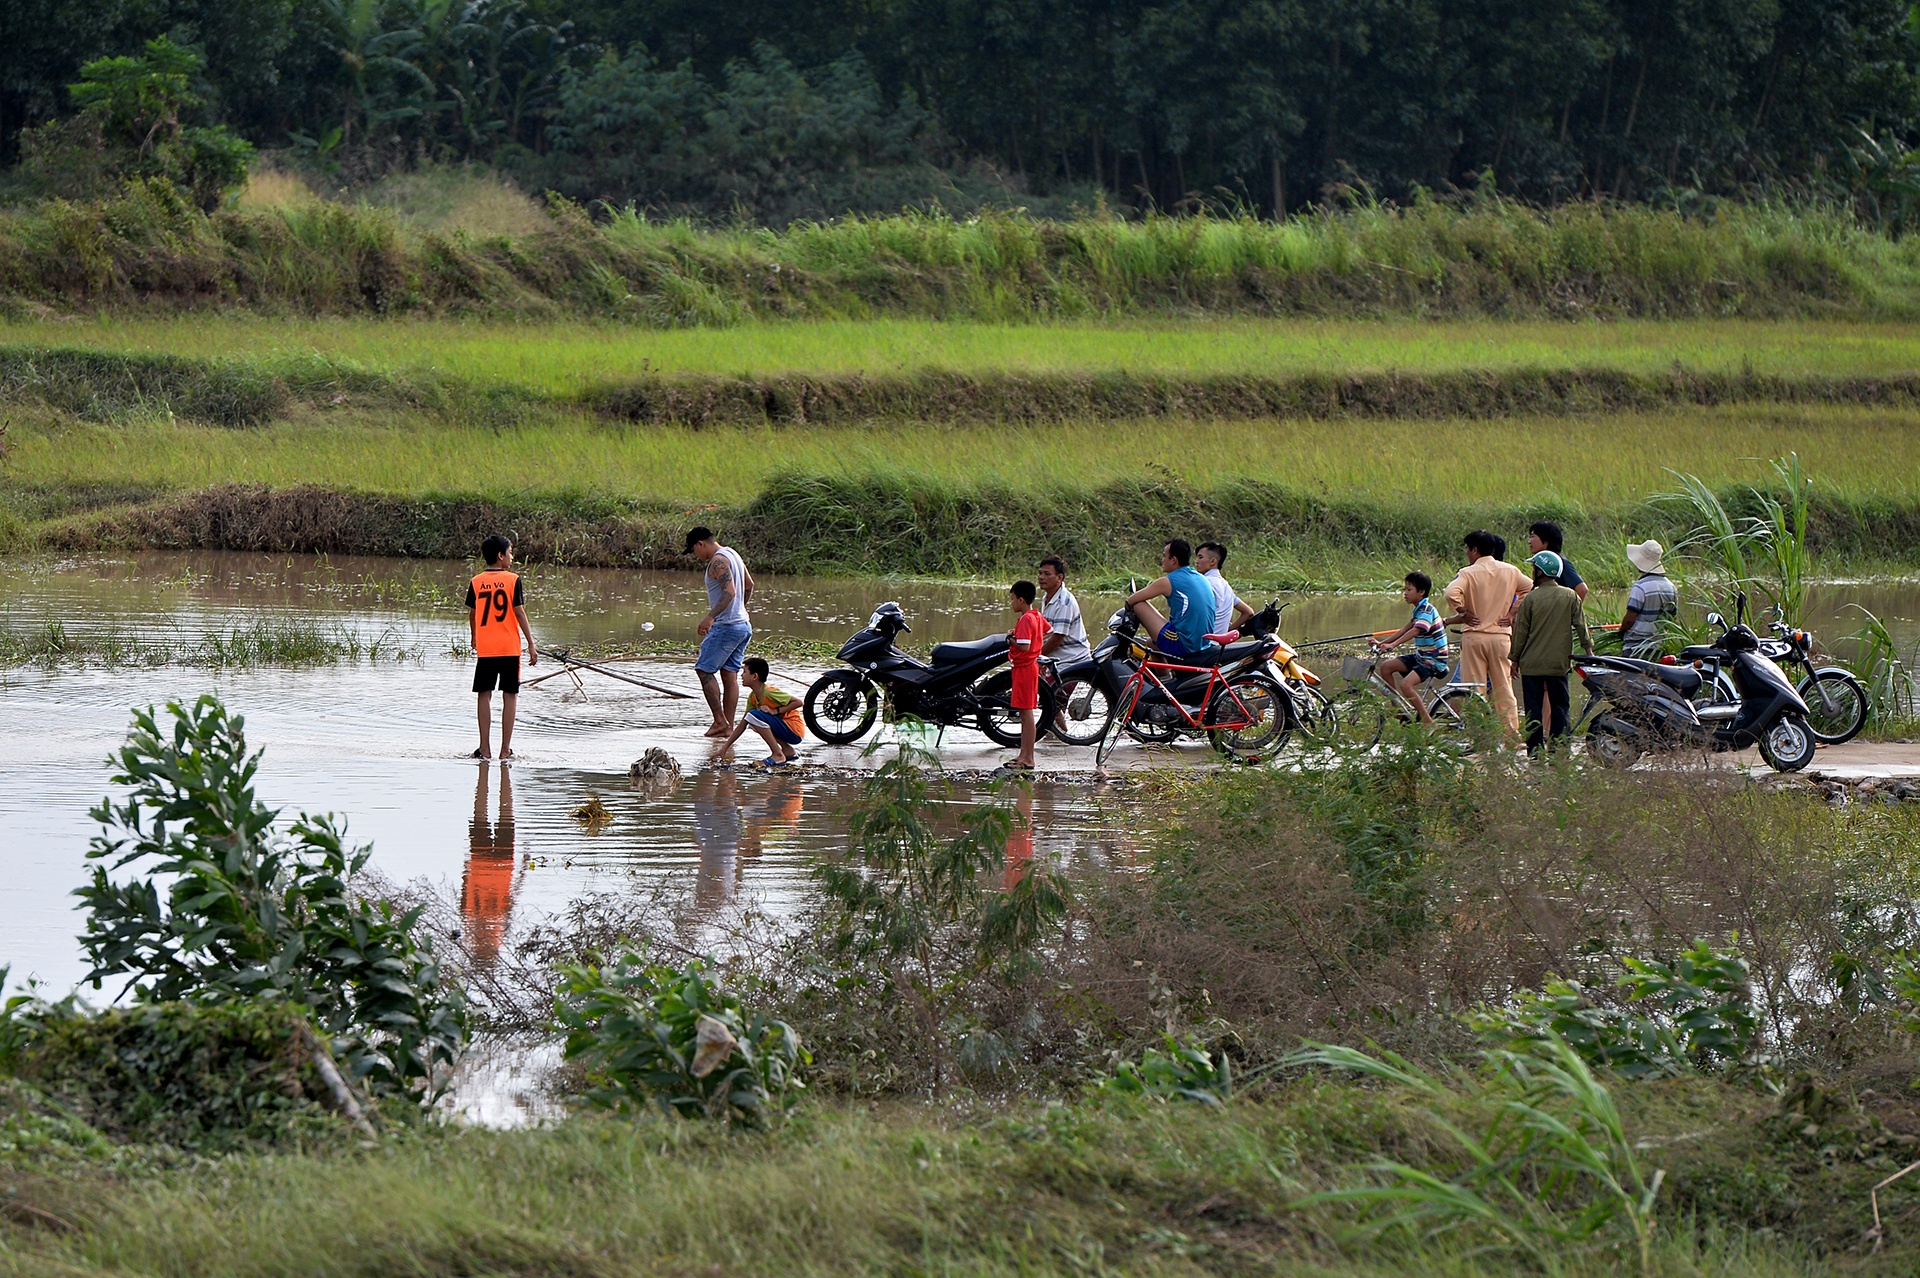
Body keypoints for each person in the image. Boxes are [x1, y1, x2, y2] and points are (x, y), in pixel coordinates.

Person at [1444, 529, 1530, 739]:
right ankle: (1510, 736)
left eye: (1467, 549)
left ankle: (1479, 736)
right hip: (1501, 638)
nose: (1467, 553)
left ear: (1475, 550)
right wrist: (1512, 612)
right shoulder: (1511, 570)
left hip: (1475, 637)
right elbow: (1529, 587)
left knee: (1474, 688)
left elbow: (1450, 593)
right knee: (1503, 688)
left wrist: (1463, 611)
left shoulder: (1467, 572)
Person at [1508, 550, 1594, 756]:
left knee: (1533, 710)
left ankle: (1535, 753)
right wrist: (1589, 652)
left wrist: (1514, 660)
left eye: (1534, 568)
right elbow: (1582, 627)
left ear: (1540, 571)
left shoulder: (1530, 599)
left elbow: (1521, 633)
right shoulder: (1570, 596)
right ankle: (1560, 751)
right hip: (1558, 664)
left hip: (1531, 665)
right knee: (1560, 707)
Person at [467, 534, 538, 759]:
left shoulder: (476, 581)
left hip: (486, 648)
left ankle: (484, 748)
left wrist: (474, 637)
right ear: (500, 556)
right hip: (508, 647)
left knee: (483, 695)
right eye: (510, 552)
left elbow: (473, 613)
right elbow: (519, 611)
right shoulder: (512, 579)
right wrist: (531, 643)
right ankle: (505, 750)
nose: (512, 557)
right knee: (510, 696)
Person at [685, 526, 755, 738]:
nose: (696, 556)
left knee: (704, 670)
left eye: (694, 551)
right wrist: (741, 610)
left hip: (726, 626)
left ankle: (719, 721)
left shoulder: (717, 561)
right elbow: (750, 585)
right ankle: (728, 726)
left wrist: (710, 617)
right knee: (729, 675)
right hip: (743, 625)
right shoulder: (732, 553)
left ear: (701, 544)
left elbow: (730, 591)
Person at [1369, 571, 1449, 726]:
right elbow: (1404, 629)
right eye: (1404, 589)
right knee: (1386, 667)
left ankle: (1427, 722)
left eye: (1409, 590)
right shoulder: (1418, 610)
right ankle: (1397, 708)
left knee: (1406, 685)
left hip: (1434, 659)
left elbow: (1417, 630)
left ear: (1421, 592)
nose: (1405, 593)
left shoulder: (1427, 610)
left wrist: (1392, 645)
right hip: (1422, 655)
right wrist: (1381, 643)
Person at [1123, 539, 1215, 655]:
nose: (1162, 560)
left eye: (1164, 556)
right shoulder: (1200, 577)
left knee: (1139, 605)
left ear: (1173, 560)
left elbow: (1131, 600)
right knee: (1151, 643)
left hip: (1184, 644)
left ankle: (1165, 674)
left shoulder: (1168, 581)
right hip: (1203, 643)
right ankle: (1165, 674)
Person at [723, 656, 805, 768]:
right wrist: (724, 749)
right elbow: (743, 723)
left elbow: (799, 702)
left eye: (744, 671)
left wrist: (775, 711)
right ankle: (787, 750)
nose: (741, 675)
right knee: (752, 720)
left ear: (755, 676)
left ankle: (778, 755)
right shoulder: (753, 696)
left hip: (793, 730)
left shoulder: (770, 692)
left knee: (753, 716)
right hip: (784, 729)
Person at [1005, 579, 1051, 771]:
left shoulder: (1026, 619)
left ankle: (1028, 757)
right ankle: (1024, 754)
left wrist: (1011, 639)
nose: (1012, 603)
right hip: (1030, 666)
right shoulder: (1036, 616)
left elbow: (1024, 645)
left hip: (1025, 668)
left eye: (1013, 599)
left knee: (1026, 713)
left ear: (1021, 600)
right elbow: (1049, 631)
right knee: (1025, 713)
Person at [1620, 539, 1678, 659]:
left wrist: (1621, 630)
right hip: (1659, 647)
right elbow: (1671, 620)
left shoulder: (1640, 587)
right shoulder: (1671, 587)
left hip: (1636, 648)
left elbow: (1629, 620)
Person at [1036, 556, 1090, 665]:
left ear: (1059, 578)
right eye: (1040, 573)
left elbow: (1057, 639)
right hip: (1056, 657)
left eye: (1047, 574)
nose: (1041, 577)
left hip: (1071, 660)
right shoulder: (1047, 596)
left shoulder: (1064, 602)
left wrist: (1035, 656)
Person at [1196, 542, 1257, 635]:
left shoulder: (1204, 583)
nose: (1196, 561)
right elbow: (1248, 612)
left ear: (1213, 561)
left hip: (1202, 642)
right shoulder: (1226, 586)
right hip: (1219, 642)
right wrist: (1227, 631)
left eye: (1200, 557)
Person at [1527, 520, 1588, 601]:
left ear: (1545, 540)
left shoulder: (1560, 562)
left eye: (1532, 536)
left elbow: (1582, 589)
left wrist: (1570, 610)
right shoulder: (1542, 562)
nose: (1529, 541)